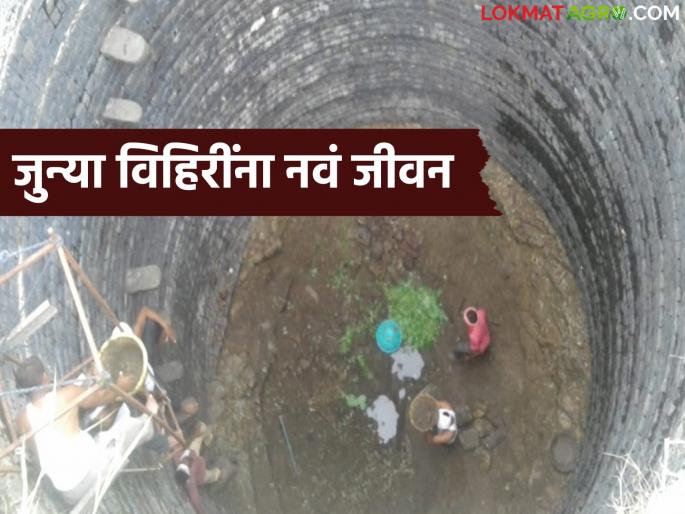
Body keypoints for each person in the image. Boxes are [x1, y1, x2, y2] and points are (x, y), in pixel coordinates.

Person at [14, 355, 159, 506]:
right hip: (90, 476)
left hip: (67, 493)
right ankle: (149, 418)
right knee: (126, 427)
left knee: (100, 437)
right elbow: (104, 398)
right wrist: (121, 385)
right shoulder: (66, 395)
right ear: (44, 376)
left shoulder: (21, 419)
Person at [170, 422, 237, 514]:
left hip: (195, 455)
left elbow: (174, 444)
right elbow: (195, 499)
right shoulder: (191, 482)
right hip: (201, 475)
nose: (187, 461)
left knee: (201, 428)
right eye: (188, 464)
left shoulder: (178, 456)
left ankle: (208, 440)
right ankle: (228, 470)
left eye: (185, 461)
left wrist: (195, 434)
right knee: (216, 474)